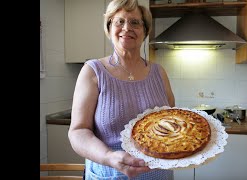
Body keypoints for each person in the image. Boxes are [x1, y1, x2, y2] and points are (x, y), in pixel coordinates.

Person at [68, 0, 175, 179]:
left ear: (145, 31)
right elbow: (78, 132)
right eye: (119, 21)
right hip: (111, 173)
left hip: (158, 174)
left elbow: (171, 121)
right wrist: (108, 157)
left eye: (135, 22)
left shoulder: (159, 72)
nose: (127, 28)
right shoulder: (92, 71)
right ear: (109, 29)